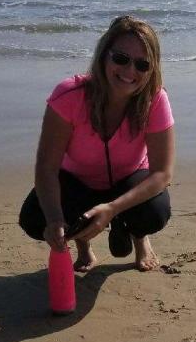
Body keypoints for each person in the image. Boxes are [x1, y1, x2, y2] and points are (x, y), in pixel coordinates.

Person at [19, 16, 175, 272]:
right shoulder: (68, 95)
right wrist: (56, 220)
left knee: (154, 212)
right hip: (77, 182)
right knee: (35, 218)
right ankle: (82, 243)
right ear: (104, 55)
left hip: (129, 180)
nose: (129, 71)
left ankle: (139, 237)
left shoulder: (155, 99)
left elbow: (162, 173)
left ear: (152, 69)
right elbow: (47, 167)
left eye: (142, 64)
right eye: (121, 58)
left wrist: (112, 209)